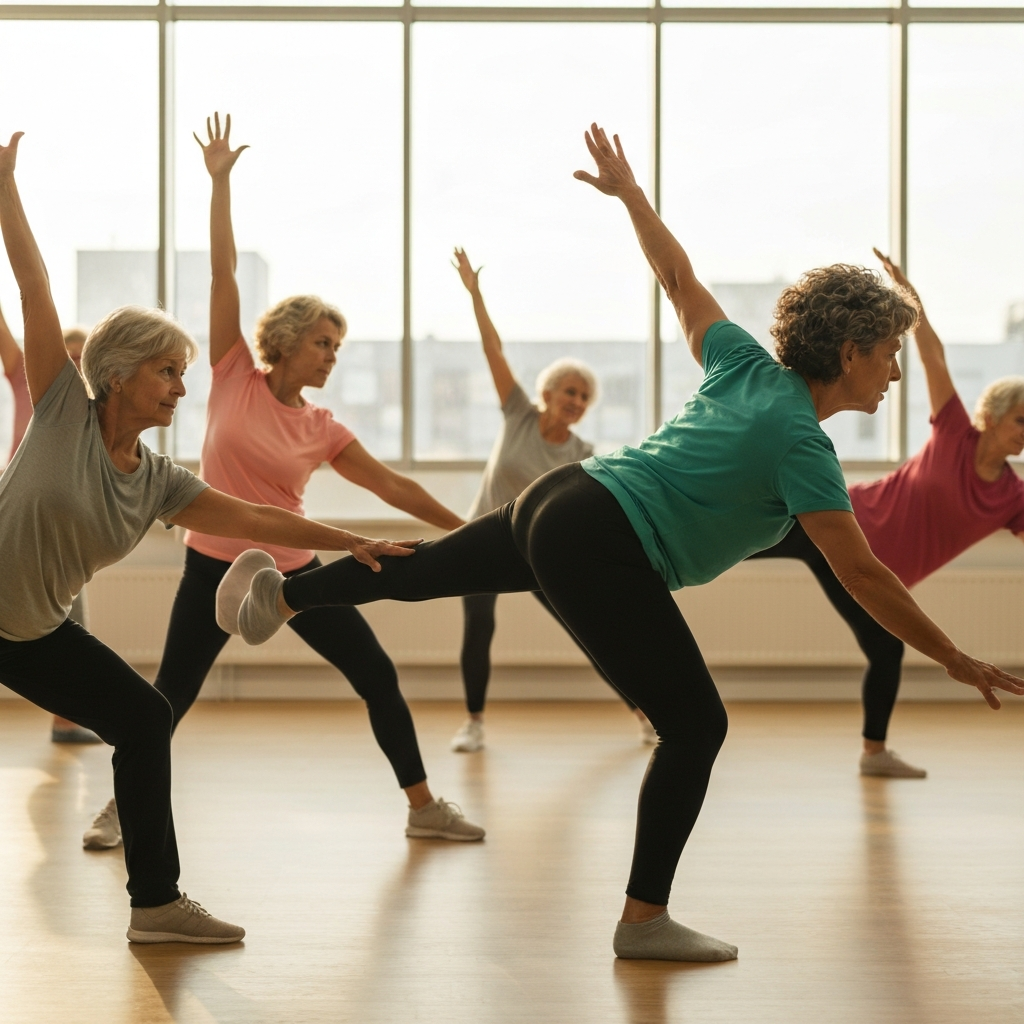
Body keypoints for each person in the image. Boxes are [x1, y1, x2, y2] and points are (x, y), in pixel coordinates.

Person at [215, 125, 1024, 963]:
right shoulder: (805, 449)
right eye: (889, 353)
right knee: (695, 724)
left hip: (560, 499)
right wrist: (955, 658)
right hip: (605, 537)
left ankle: (281, 595)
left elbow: (677, 278)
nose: (894, 372)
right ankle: (643, 922)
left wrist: (632, 195)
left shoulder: (745, 361)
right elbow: (861, 572)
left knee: (426, 573)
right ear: (851, 350)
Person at [0, 129, 421, 943]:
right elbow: (33, 278)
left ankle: (155, 905)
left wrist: (347, 539)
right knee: (157, 709)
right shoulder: (59, 407)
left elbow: (259, 518)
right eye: (167, 372)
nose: (181, 389)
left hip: (31, 634)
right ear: (118, 372)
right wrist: (5, 186)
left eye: (184, 374)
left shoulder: (158, 479)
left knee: (146, 716)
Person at [83, 113, 484, 851]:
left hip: (294, 574)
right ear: (287, 339)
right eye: (322, 342)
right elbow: (223, 272)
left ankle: (423, 805)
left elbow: (393, 488)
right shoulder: (234, 370)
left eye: (338, 346)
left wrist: (470, 528)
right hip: (211, 565)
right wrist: (219, 182)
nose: (331, 355)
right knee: (170, 695)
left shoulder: (324, 427)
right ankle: (117, 809)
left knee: (376, 675)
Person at [749, 249, 1024, 779]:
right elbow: (934, 359)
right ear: (991, 415)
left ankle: (874, 755)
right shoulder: (954, 433)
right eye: (1020, 419)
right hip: (833, 519)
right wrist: (908, 297)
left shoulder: (1013, 496)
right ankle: (640, 561)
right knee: (736, 539)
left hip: (877, 573)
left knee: (885, 648)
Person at [448, 248, 655, 753]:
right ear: (547, 391)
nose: (577, 401)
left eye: (585, 397)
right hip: (481, 538)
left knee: (586, 630)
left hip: (535, 551)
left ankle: (646, 715)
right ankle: (473, 722)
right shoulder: (518, 412)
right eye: (570, 390)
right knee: (479, 626)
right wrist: (476, 295)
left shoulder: (582, 454)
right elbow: (493, 351)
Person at [1, 307, 102, 743]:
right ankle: (66, 719)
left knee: (69, 620)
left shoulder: (94, 410)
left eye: (84, 359)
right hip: (14, 513)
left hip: (58, 529)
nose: (75, 364)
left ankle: (66, 719)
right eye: (69, 356)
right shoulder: (29, 374)